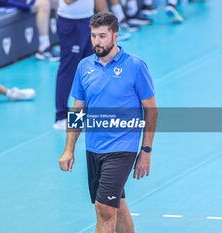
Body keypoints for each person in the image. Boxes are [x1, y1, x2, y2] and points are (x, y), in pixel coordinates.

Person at [58, 12, 157, 233]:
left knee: (105, 209)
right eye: (93, 36)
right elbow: (78, 110)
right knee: (117, 204)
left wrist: (146, 150)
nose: (97, 41)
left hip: (123, 148)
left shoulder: (136, 66)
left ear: (115, 36)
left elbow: (151, 111)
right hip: (94, 148)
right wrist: (68, 149)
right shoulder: (84, 66)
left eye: (102, 36)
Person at [53, 0, 95, 130]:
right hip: (71, 24)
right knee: (68, 70)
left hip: (88, 20)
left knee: (90, 70)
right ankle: (61, 117)